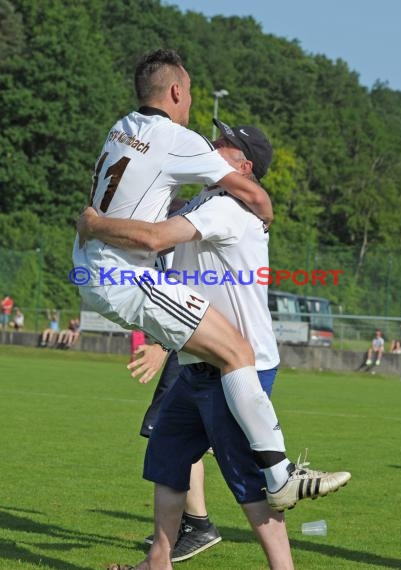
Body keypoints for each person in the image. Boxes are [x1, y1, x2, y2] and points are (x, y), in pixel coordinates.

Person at [79, 123, 350, 569]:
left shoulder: (225, 207)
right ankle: (158, 562)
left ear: (244, 166)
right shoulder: (208, 200)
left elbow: (153, 238)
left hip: (237, 367)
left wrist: (94, 222)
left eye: (224, 144)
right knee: (167, 457)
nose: (212, 144)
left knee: (249, 480)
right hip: (199, 363)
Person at [72, 48, 307, 505]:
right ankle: (279, 476)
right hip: (121, 274)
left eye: (225, 144)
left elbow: (163, 210)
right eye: (192, 94)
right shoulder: (179, 141)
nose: (196, 111)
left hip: (96, 268)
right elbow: (249, 199)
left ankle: (188, 531)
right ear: (177, 91)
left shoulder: (120, 127)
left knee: (192, 417)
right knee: (235, 351)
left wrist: (97, 225)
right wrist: (266, 211)